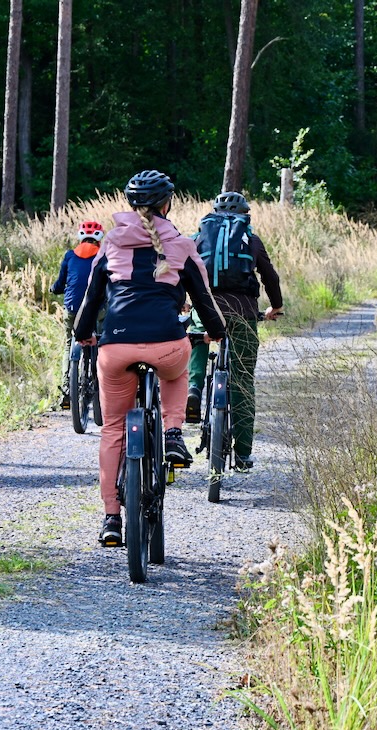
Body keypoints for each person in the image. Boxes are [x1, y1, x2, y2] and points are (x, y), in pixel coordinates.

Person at [74, 170, 226, 547]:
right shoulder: (181, 244)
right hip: (166, 344)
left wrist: (84, 334)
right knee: (177, 368)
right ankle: (173, 434)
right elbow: (203, 299)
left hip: (116, 347)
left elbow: (91, 299)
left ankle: (111, 519)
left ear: (131, 205)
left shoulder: (110, 244)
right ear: (167, 204)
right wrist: (217, 331)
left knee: (112, 432)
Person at [186, 191, 283, 471]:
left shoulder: (198, 238)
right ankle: (242, 453)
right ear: (245, 216)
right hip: (243, 313)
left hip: (206, 308)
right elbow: (270, 277)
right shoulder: (251, 240)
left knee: (197, 335)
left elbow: (182, 270)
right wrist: (274, 307)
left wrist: (183, 301)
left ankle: (194, 386)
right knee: (242, 380)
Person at [51, 220, 105, 409]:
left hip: (73, 309)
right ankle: (102, 386)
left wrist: (54, 288)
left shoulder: (69, 256)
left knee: (69, 344)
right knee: (102, 342)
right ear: (99, 239)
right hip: (97, 310)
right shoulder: (103, 256)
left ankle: (67, 390)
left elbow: (60, 283)